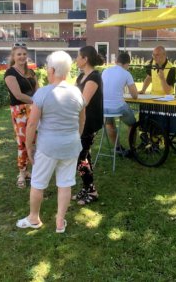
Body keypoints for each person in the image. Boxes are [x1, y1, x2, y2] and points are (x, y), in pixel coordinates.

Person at [16, 51, 85, 231]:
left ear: (52, 69)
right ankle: (60, 221)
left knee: (38, 183)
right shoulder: (77, 92)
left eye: (47, 67)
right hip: (71, 145)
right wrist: (76, 136)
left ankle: (33, 219)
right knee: (65, 183)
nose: (47, 70)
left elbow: (31, 124)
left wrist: (29, 146)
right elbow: (82, 119)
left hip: (48, 146)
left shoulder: (43, 93)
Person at [4, 43, 39, 188]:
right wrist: (36, 102)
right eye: (19, 54)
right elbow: (17, 94)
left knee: (35, 140)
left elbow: (38, 89)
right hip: (20, 111)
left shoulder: (31, 72)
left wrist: (39, 102)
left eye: (24, 54)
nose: (22, 57)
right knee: (23, 142)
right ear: (13, 57)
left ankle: (32, 171)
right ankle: (22, 172)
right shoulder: (10, 73)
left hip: (35, 109)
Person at [73, 46, 104, 205]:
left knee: (81, 157)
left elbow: (82, 102)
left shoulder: (94, 77)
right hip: (81, 121)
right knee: (84, 154)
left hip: (89, 122)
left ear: (85, 59)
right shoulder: (81, 77)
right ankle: (86, 188)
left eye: (78, 57)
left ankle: (92, 191)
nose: (76, 59)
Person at [101, 52, 138, 155]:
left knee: (109, 123)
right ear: (127, 64)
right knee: (132, 124)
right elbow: (135, 95)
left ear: (116, 62)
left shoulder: (105, 71)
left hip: (103, 107)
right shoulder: (126, 73)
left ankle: (117, 148)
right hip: (118, 107)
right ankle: (132, 148)